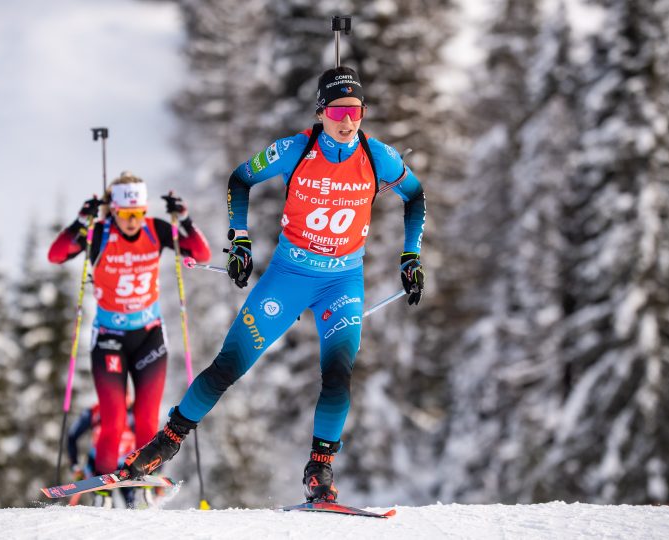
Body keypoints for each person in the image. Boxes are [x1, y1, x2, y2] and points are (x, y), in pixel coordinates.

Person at [116, 66, 426, 503]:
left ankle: (320, 469)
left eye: (355, 110)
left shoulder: (379, 157)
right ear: (321, 112)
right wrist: (240, 239)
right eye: (337, 110)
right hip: (289, 277)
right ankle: (165, 443)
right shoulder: (295, 149)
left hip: (342, 282)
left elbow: (415, 195)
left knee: (338, 375)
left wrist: (410, 254)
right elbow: (240, 178)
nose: (347, 120)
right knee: (229, 366)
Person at [48, 172, 212, 505]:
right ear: (114, 210)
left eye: (138, 212)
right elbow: (57, 254)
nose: (133, 221)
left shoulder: (156, 229)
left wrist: (183, 218)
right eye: (126, 214)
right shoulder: (99, 233)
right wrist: (80, 221)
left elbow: (201, 253)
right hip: (109, 339)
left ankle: (143, 487)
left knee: (148, 420)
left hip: (149, 337)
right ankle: (104, 491)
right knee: (113, 421)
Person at [67, 402, 138, 508]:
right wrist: (75, 466)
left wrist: (155, 471)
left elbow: (153, 441)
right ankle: (103, 506)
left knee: (135, 504)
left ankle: (140, 504)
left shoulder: (136, 412)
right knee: (104, 505)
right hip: (98, 465)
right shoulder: (95, 412)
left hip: (126, 465)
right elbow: (72, 436)